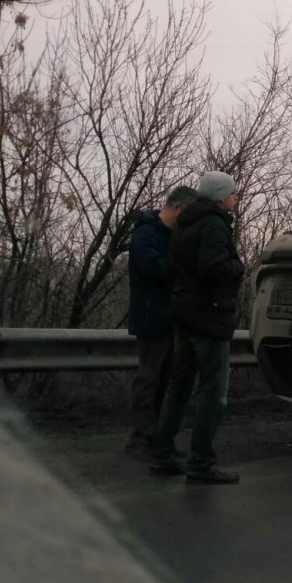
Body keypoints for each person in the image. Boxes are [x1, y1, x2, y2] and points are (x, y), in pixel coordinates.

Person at [150, 171, 245, 485]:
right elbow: (214, 266)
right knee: (212, 394)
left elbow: (173, 268)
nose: (235, 197)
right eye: (232, 193)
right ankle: (201, 463)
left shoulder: (184, 223)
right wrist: (239, 266)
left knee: (178, 387)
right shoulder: (215, 224)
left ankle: (162, 455)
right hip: (209, 318)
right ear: (220, 196)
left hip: (185, 314)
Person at [123, 185, 197, 460]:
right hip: (150, 317)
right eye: (187, 214)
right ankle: (139, 440)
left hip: (171, 319)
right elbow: (154, 269)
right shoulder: (145, 232)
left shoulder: (171, 235)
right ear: (176, 207)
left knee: (166, 382)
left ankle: (159, 440)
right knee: (149, 380)